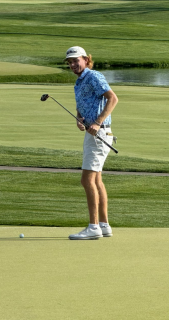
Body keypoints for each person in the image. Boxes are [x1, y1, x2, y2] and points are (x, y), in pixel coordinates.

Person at [64, 46, 118, 240]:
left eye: (75, 60)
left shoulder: (93, 76)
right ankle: (104, 225)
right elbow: (82, 104)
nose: (72, 64)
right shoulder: (79, 82)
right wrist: (80, 118)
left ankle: (93, 226)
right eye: (69, 62)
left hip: (99, 133)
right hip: (93, 133)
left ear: (86, 59)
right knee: (96, 180)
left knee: (87, 180)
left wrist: (97, 121)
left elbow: (113, 99)